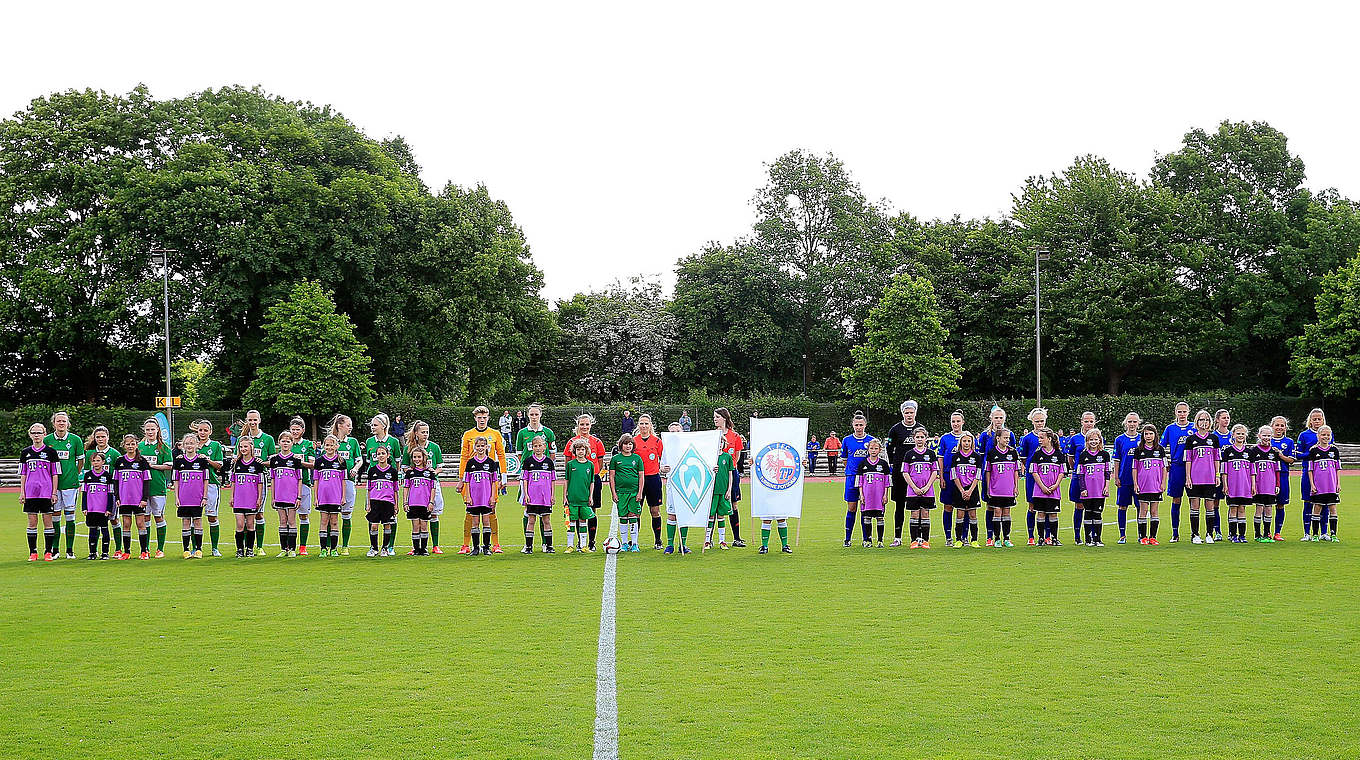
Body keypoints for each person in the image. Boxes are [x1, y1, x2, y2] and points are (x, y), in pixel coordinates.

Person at [459, 406, 506, 554]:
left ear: (488, 418)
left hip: (489, 480)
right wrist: (461, 479)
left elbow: (501, 455)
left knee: (491, 510)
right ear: (475, 418)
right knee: (470, 512)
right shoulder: (468, 435)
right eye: (479, 417)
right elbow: (464, 457)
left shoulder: (495, 434)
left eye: (484, 417)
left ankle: (495, 544)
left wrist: (503, 477)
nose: (482, 420)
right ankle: (466, 545)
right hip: (472, 480)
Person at [514, 404, 557, 549]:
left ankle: (546, 543)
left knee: (544, 512)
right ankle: (528, 545)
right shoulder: (522, 433)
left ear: (540, 415)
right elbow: (519, 453)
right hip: (529, 476)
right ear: (528, 415)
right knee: (528, 510)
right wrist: (527, 466)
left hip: (543, 476)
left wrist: (546, 464)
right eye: (531, 414)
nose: (534, 417)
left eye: (536, 414)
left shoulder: (548, 432)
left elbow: (552, 453)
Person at [885, 401, 927, 546]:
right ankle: (897, 537)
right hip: (900, 472)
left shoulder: (920, 429)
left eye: (911, 412)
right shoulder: (895, 429)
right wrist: (893, 464)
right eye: (906, 412)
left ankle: (919, 537)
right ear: (903, 413)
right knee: (900, 504)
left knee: (919, 506)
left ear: (915, 412)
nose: (909, 415)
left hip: (918, 474)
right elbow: (889, 448)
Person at [44, 411, 85, 559]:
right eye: (58, 421)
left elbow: (81, 461)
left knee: (70, 517)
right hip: (53, 486)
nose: (61, 423)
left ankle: (69, 549)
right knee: (55, 516)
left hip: (70, 484)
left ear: (68, 423)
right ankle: (55, 549)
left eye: (64, 421)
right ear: (53, 423)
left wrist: (75, 473)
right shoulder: (47, 440)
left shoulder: (75, 440)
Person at [563, 414, 606, 552]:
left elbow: (599, 462)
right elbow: (567, 463)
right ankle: (578, 544)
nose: (584, 427)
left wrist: (594, 476)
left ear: (591, 425)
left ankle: (591, 542)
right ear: (578, 425)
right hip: (576, 482)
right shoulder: (571, 442)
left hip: (592, 480)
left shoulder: (597, 442)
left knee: (591, 511)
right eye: (582, 424)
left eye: (587, 424)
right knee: (575, 512)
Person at [975, 407, 1017, 546]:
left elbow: (1012, 453)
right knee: (991, 506)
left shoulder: (1009, 435)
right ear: (991, 418)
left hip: (1005, 477)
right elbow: (981, 456)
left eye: (1001, 418)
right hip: (990, 474)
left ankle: (1005, 537)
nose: (998, 420)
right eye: (996, 417)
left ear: (1004, 419)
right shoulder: (985, 435)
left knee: (1004, 509)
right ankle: (990, 536)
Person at [20, 423, 61, 561]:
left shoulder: (51, 452)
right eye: (34, 432)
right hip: (30, 493)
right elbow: (23, 474)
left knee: (48, 522)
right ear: (30, 434)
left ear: (44, 434)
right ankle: (33, 552)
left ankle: (48, 552)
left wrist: (54, 492)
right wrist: (22, 492)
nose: (36, 435)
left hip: (46, 492)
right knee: (32, 522)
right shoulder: (25, 453)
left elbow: (55, 474)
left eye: (39, 432)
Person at [324, 414, 365, 556]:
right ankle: (328, 546)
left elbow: (359, 460)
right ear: (339, 425)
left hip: (348, 481)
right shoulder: (330, 441)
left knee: (346, 514)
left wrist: (355, 468)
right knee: (329, 515)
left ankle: (345, 546)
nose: (350, 427)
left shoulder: (352, 442)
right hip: (332, 484)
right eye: (348, 425)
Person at [402, 421, 445, 554]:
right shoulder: (409, 448)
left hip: (431, 485)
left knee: (433, 514)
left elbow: (440, 467)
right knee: (416, 519)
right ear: (416, 433)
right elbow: (404, 468)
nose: (425, 435)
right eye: (423, 432)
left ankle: (435, 545)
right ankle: (416, 547)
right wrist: (416, 472)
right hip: (416, 487)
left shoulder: (434, 447)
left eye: (427, 432)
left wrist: (432, 473)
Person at [365, 413, 404, 555]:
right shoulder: (369, 441)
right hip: (374, 485)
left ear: (384, 426)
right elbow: (369, 463)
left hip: (389, 484)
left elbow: (398, 460)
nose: (372, 427)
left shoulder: (393, 441)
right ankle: (373, 547)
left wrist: (397, 475)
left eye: (375, 425)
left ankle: (389, 546)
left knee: (391, 518)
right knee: (372, 516)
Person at [240, 410, 276, 555]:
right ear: (247, 421)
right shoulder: (242, 438)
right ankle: (243, 546)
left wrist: (264, 463)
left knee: (258, 514)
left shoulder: (267, 439)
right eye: (250, 420)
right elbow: (238, 459)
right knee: (242, 514)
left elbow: (273, 461)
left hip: (260, 480)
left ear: (259, 420)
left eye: (255, 420)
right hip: (244, 483)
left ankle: (259, 546)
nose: (252, 422)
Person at [138, 418, 174, 558]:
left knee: (158, 516)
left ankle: (160, 549)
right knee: (145, 517)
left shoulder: (164, 447)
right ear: (144, 430)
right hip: (141, 488)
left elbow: (169, 465)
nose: (150, 432)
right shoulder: (139, 446)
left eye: (153, 429)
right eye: (148, 429)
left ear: (158, 430)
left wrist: (152, 466)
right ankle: (145, 549)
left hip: (158, 486)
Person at [1160, 402, 1195, 543]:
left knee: (1194, 501)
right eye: (1179, 412)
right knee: (1176, 500)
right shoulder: (1170, 428)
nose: (1182, 414)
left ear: (1188, 412)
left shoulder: (1194, 427)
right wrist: (1166, 462)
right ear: (1175, 413)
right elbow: (1160, 448)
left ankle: (1195, 533)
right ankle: (1175, 533)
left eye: (1184, 412)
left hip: (1193, 468)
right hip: (1176, 468)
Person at [111, 434, 151, 560]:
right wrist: (117, 497)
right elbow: (116, 481)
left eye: (132, 443)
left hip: (138, 499)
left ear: (136, 445)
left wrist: (144, 499)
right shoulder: (119, 461)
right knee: (126, 524)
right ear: (124, 445)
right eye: (128, 444)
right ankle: (127, 551)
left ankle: (144, 551)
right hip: (124, 499)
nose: (130, 446)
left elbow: (146, 481)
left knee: (140, 523)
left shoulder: (142, 461)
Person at [173, 432, 211, 559]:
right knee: (185, 522)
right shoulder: (178, 462)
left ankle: (199, 549)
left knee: (198, 521)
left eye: (192, 443)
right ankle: (186, 550)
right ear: (183, 445)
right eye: (187, 443)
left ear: (197, 445)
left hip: (197, 498)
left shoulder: (202, 461)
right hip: (184, 498)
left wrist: (205, 497)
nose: (189, 445)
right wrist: (177, 497)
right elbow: (176, 481)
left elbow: (206, 480)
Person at [1184, 410, 1220, 545]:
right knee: (1195, 506)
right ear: (1196, 422)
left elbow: (1217, 458)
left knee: (1210, 506)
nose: (1203, 422)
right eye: (1200, 420)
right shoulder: (1191, 439)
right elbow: (1188, 459)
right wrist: (1188, 477)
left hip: (1210, 478)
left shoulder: (1214, 439)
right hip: (1195, 478)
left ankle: (1209, 534)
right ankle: (1195, 534)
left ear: (1210, 422)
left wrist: (1217, 475)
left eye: (1206, 420)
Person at [631, 414, 666, 549]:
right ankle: (634, 541)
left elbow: (664, 459)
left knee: (655, 511)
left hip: (653, 479)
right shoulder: (633, 441)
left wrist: (663, 467)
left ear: (650, 425)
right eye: (641, 423)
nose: (644, 426)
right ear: (638, 426)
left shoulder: (657, 441)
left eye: (646, 423)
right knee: (636, 511)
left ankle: (658, 540)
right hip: (637, 479)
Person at [228, 438, 267, 558]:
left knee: (250, 524)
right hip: (239, 499)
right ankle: (239, 549)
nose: (243, 449)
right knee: (239, 524)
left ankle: (250, 549)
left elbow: (260, 483)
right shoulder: (236, 463)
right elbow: (233, 482)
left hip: (251, 498)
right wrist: (232, 496)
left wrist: (259, 498)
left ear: (251, 447)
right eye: (241, 447)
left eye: (246, 446)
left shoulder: (257, 464)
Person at [192, 419, 226, 556]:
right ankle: (195, 548)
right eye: (200, 430)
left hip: (211, 484)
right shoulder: (192, 444)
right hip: (194, 486)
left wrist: (207, 460)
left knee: (212, 516)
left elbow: (220, 466)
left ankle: (214, 548)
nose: (203, 432)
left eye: (205, 430)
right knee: (195, 516)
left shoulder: (215, 445)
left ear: (210, 432)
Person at [86, 426, 121, 553]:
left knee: (113, 519)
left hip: (109, 492)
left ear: (108, 437)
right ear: (94, 438)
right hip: (94, 495)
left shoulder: (115, 453)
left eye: (103, 437)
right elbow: (86, 473)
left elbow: (118, 473)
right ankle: (94, 551)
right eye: (98, 437)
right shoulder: (89, 453)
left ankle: (118, 549)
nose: (100, 439)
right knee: (96, 521)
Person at [268, 430, 304, 557]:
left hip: (292, 495)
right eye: (283, 441)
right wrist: (273, 497)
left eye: (288, 441)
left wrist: (299, 497)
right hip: (279, 495)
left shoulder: (296, 460)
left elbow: (300, 479)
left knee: (292, 521)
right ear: (279, 443)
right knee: (282, 521)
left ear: (292, 443)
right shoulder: (274, 460)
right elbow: (272, 479)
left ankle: (293, 549)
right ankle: (284, 549)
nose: (285, 443)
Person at [713, 408, 746, 547]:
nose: (715, 419)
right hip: (715, 475)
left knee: (733, 504)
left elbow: (737, 457)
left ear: (725, 418)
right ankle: (710, 539)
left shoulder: (735, 436)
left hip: (730, 474)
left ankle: (736, 538)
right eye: (714, 417)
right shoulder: (712, 435)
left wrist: (729, 469)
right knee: (713, 506)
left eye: (717, 417)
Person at [902, 427, 939, 548]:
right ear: (913, 438)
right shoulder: (909, 454)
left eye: (922, 437)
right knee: (914, 514)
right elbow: (905, 472)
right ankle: (914, 540)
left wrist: (927, 486)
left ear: (926, 438)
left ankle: (925, 540)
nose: (919, 439)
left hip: (927, 491)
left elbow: (935, 472)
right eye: (917, 437)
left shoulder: (931, 454)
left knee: (925, 514)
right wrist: (914, 487)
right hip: (913, 491)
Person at [1108, 412, 1142, 544]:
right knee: (1122, 506)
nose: (1132, 424)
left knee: (1141, 507)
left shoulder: (1143, 438)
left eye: (1134, 422)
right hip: (1124, 478)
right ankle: (1122, 535)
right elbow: (1116, 460)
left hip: (1140, 480)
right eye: (1130, 421)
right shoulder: (1120, 439)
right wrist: (1116, 477)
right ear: (1125, 423)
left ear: (1138, 423)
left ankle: (1141, 534)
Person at [1130, 423, 1167, 544]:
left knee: (1154, 511)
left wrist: (1163, 483)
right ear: (1143, 436)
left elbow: (1164, 468)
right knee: (1143, 511)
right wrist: (1135, 483)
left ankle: (1153, 537)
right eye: (1146, 434)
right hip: (1143, 485)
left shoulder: (1160, 450)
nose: (1148, 436)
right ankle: (1143, 537)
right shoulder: (1138, 450)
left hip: (1156, 486)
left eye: (1151, 433)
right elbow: (1134, 468)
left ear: (1155, 435)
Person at [607, 434, 645, 552]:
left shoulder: (637, 458)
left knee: (633, 516)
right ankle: (624, 543)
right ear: (621, 445)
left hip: (634, 493)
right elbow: (611, 477)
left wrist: (640, 492)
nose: (628, 446)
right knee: (623, 517)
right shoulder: (615, 459)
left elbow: (641, 476)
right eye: (625, 443)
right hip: (621, 492)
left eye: (630, 444)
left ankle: (634, 543)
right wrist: (614, 493)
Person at [519, 435, 556, 554]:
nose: (538, 448)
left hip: (545, 497)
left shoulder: (549, 462)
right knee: (531, 520)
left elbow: (553, 480)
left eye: (540, 445)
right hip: (532, 497)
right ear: (532, 447)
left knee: (546, 520)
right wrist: (526, 494)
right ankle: (529, 546)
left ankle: (549, 545)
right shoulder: (528, 461)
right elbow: (524, 479)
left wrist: (552, 495)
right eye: (535, 446)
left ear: (544, 447)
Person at [1303, 425, 1341, 541]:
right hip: (1319, 486)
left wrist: (1338, 484)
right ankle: (1315, 535)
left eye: (1328, 435)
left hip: (1331, 486)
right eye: (1323, 434)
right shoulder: (1313, 451)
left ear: (1331, 436)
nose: (1325, 437)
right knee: (1317, 507)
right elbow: (1310, 470)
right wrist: (1312, 485)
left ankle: (1333, 534)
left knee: (1333, 509)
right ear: (1318, 436)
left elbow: (1337, 469)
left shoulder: (1334, 450)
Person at [984, 429, 1021, 547]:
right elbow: (988, 472)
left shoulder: (1013, 453)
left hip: (1008, 489)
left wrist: (1016, 487)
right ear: (998, 438)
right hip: (996, 489)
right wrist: (989, 487)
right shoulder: (991, 453)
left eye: (1008, 438)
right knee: (997, 511)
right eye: (1005, 438)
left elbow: (1016, 471)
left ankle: (1007, 538)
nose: (1007, 440)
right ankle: (997, 539)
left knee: (1006, 512)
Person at [1030, 428, 1066, 546]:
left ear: (1049, 439)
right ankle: (1041, 538)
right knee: (1040, 513)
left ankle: (1054, 538)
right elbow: (1034, 472)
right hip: (1040, 491)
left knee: (1053, 514)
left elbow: (1062, 472)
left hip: (1054, 491)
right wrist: (1042, 487)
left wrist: (1056, 485)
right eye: (1039, 438)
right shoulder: (1037, 454)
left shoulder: (1059, 454)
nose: (1039, 440)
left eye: (1042, 438)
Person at [312, 435, 347, 557]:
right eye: (327, 445)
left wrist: (343, 497)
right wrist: (315, 497)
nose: (329, 447)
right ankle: (323, 549)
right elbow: (316, 480)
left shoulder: (341, 461)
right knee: (323, 521)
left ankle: (333, 549)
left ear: (337, 446)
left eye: (332, 445)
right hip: (323, 496)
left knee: (334, 521)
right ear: (323, 446)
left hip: (335, 497)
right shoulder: (319, 461)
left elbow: (343, 481)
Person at [1219, 424, 1255, 543]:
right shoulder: (1228, 451)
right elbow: (1224, 470)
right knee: (1233, 508)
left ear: (1246, 436)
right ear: (1233, 435)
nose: (1240, 436)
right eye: (1238, 433)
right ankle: (1233, 534)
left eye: (1242, 434)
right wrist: (1225, 485)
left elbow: (1252, 471)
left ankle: (1242, 535)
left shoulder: (1249, 452)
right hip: (1232, 486)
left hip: (1245, 486)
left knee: (1242, 509)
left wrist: (1253, 485)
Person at [1064, 411, 1096, 545]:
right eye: (1086, 421)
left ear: (1094, 422)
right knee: (1079, 504)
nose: (1088, 424)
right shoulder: (1075, 438)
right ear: (1081, 422)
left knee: (1094, 505)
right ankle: (1077, 536)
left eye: (1091, 421)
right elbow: (1070, 458)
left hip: (1094, 477)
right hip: (1079, 476)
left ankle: (1093, 535)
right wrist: (1076, 470)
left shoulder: (1098, 437)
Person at [285, 417, 315, 556]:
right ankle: (287, 547)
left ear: (303, 430)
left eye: (298, 429)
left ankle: (302, 546)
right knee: (287, 517)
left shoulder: (308, 444)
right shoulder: (286, 443)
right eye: (293, 429)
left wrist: (299, 462)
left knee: (303, 515)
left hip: (303, 483)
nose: (295, 432)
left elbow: (313, 464)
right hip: (287, 484)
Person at [1018, 409, 1048, 548]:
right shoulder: (1028, 438)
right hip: (1032, 477)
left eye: (1042, 421)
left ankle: (1047, 536)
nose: (1040, 424)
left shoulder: (1051, 436)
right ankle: (1031, 536)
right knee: (1032, 506)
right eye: (1037, 421)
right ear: (1032, 421)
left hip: (1049, 476)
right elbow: (1024, 459)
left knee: (1047, 506)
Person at [1077, 429, 1113, 546]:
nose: (1093, 442)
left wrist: (1106, 487)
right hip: (1087, 491)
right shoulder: (1083, 455)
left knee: (1097, 514)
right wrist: (1083, 489)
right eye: (1091, 439)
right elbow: (1080, 474)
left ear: (1100, 440)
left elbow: (1107, 472)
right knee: (1088, 513)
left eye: (1096, 439)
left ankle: (1097, 539)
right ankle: (1088, 539)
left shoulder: (1105, 455)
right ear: (1087, 441)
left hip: (1099, 490)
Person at [1250, 425, 1284, 543]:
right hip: (1259, 486)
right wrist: (1253, 484)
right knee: (1259, 508)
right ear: (1259, 436)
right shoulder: (1254, 451)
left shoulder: (1274, 452)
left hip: (1270, 486)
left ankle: (1266, 534)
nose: (1266, 438)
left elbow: (1277, 471)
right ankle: (1257, 534)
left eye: (1269, 436)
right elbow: (1252, 470)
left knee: (1269, 509)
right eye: (1264, 435)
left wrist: (1277, 485)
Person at [950, 431, 984, 548]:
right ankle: (959, 540)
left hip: (972, 490)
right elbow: (954, 475)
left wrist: (969, 491)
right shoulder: (955, 457)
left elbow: (978, 475)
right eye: (964, 441)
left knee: (973, 515)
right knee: (959, 515)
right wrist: (962, 491)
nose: (966, 443)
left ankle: (974, 540)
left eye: (969, 441)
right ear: (961, 442)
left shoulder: (976, 457)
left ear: (972, 442)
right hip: (959, 490)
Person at [856, 438, 891, 548]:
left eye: (876, 448)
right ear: (868, 449)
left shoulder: (884, 464)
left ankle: (880, 540)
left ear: (880, 450)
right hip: (867, 496)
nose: (873, 450)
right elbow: (860, 482)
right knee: (867, 517)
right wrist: (861, 495)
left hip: (879, 496)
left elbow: (887, 482)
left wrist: (885, 495)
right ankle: (868, 540)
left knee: (880, 518)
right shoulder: (862, 464)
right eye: (871, 448)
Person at [1297, 408, 1326, 541]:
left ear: (1323, 420)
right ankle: (1307, 533)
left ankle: (1323, 533)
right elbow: (1298, 455)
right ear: (1310, 420)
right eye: (1314, 419)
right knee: (1308, 502)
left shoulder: (1327, 433)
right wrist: (1312, 452)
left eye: (1319, 419)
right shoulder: (1304, 435)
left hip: (1324, 474)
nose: (1317, 421)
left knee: (1325, 502)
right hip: (1307, 472)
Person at [366, 444, 400, 557]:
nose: (381, 456)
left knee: (387, 525)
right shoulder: (372, 471)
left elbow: (395, 490)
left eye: (383, 453)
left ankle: (385, 548)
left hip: (388, 502)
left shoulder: (393, 471)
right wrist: (368, 504)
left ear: (388, 455)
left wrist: (396, 505)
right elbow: (369, 489)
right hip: (375, 501)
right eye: (378, 454)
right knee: (374, 525)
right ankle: (374, 548)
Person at [937, 411, 965, 545]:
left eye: (958, 421)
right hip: (948, 476)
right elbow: (940, 458)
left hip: (964, 477)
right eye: (953, 421)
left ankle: (963, 537)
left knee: (964, 508)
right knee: (948, 507)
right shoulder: (945, 438)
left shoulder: (968, 437)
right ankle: (948, 537)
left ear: (963, 422)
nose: (955, 424)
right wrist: (941, 476)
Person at [564, 440, 596, 554]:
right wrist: (565, 496)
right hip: (572, 498)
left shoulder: (590, 465)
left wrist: (590, 496)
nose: (580, 451)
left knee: (583, 521)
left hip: (584, 498)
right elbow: (566, 480)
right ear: (574, 451)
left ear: (586, 450)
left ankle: (583, 545)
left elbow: (592, 482)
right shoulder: (570, 464)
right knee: (571, 521)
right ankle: (570, 545)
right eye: (578, 449)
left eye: (582, 449)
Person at [81, 451, 115, 559]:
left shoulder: (107, 476)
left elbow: (110, 494)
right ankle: (92, 553)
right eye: (94, 461)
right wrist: (84, 507)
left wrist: (109, 508)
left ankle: (105, 553)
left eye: (98, 460)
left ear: (103, 462)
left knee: (104, 531)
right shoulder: (87, 476)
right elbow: (84, 493)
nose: (96, 463)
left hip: (103, 509)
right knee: (92, 531)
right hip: (91, 508)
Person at [403, 447, 437, 556]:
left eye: (419, 457)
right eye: (414, 457)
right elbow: (406, 487)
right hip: (413, 503)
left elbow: (433, 488)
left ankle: (424, 549)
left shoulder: (429, 473)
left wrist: (431, 502)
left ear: (424, 458)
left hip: (425, 503)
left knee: (424, 525)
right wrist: (405, 502)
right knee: (415, 526)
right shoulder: (409, 473)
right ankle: (416, 549)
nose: (417, 459)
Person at [1268, 416, 1297, 541]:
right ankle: (1266, 532)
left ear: (1285, 428)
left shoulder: (1289, 442)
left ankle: (1277, 532)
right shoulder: (1266, 439)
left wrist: (1279, 454)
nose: (1279, 428)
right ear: (1272, 426)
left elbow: (1291, 460)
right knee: (1267, 504)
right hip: (1268, 476)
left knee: (1280, 504)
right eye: (1277, 425)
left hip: (1283, 475)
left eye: (1282, 425)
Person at [705, 437, 736, 551]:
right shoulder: (709, 456)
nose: (719, 444)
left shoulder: (727, 456)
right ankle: (707, 541)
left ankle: (722, 541)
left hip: (723, 491)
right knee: (710, 516)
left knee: (721, 516)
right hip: (712, 492)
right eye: (717, 442)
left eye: (721, 442)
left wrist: (729, 490)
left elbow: (730, 474)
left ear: (724, 443)